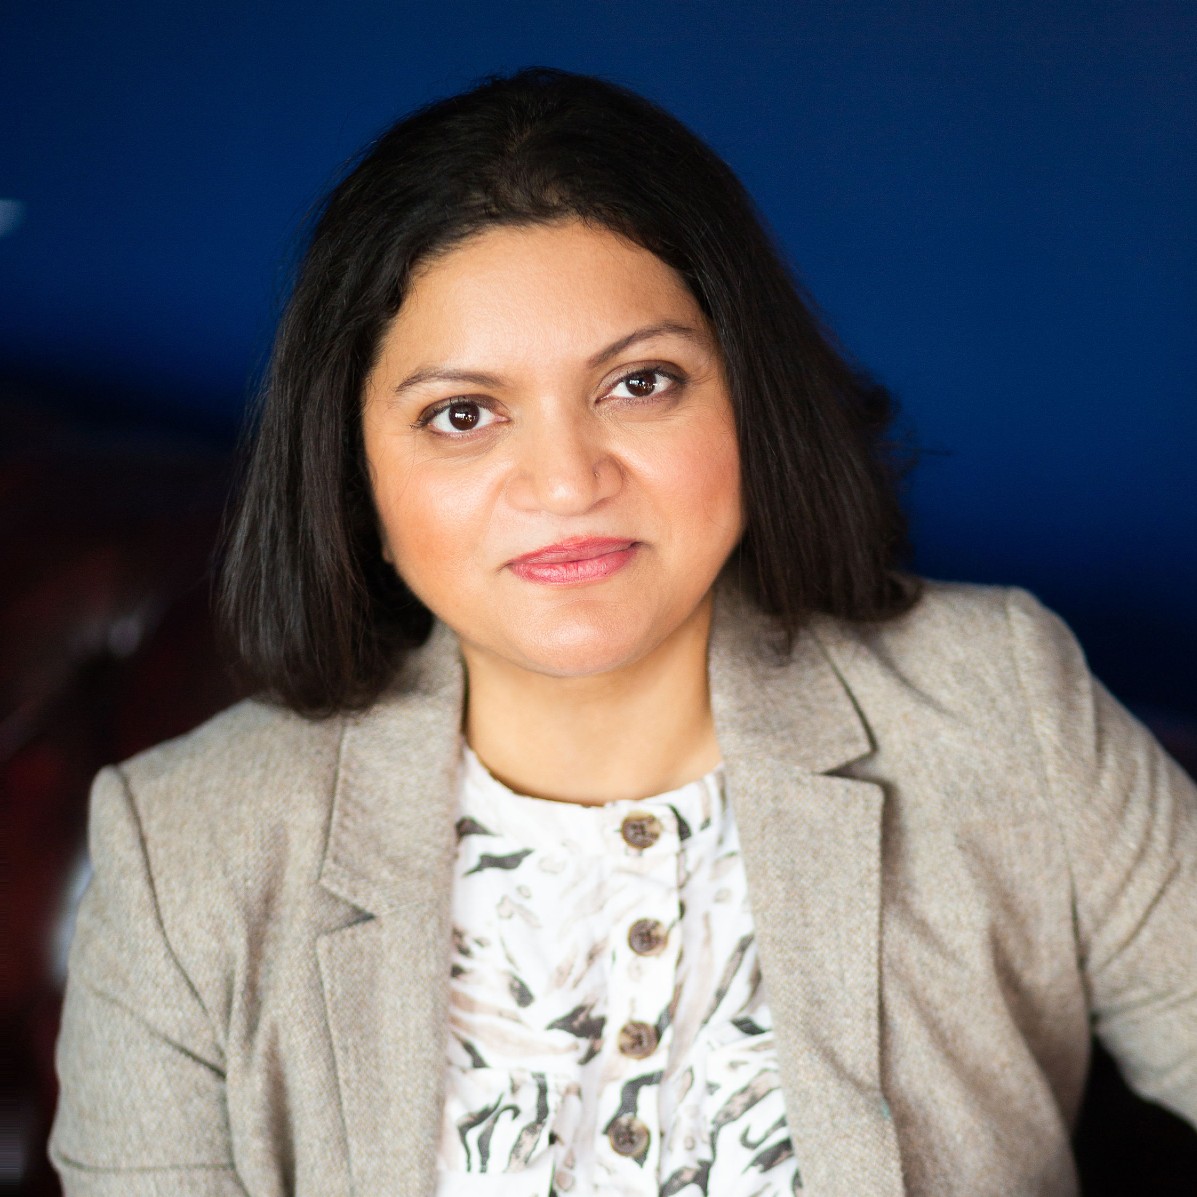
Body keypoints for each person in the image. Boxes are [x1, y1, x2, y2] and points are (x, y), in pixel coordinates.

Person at [49, 67, 1196, 1197]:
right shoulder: (185, 850)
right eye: (462, 415)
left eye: (641, 384)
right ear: (355, 481)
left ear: (751, 398)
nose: (564, 481)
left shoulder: (1000, 704)